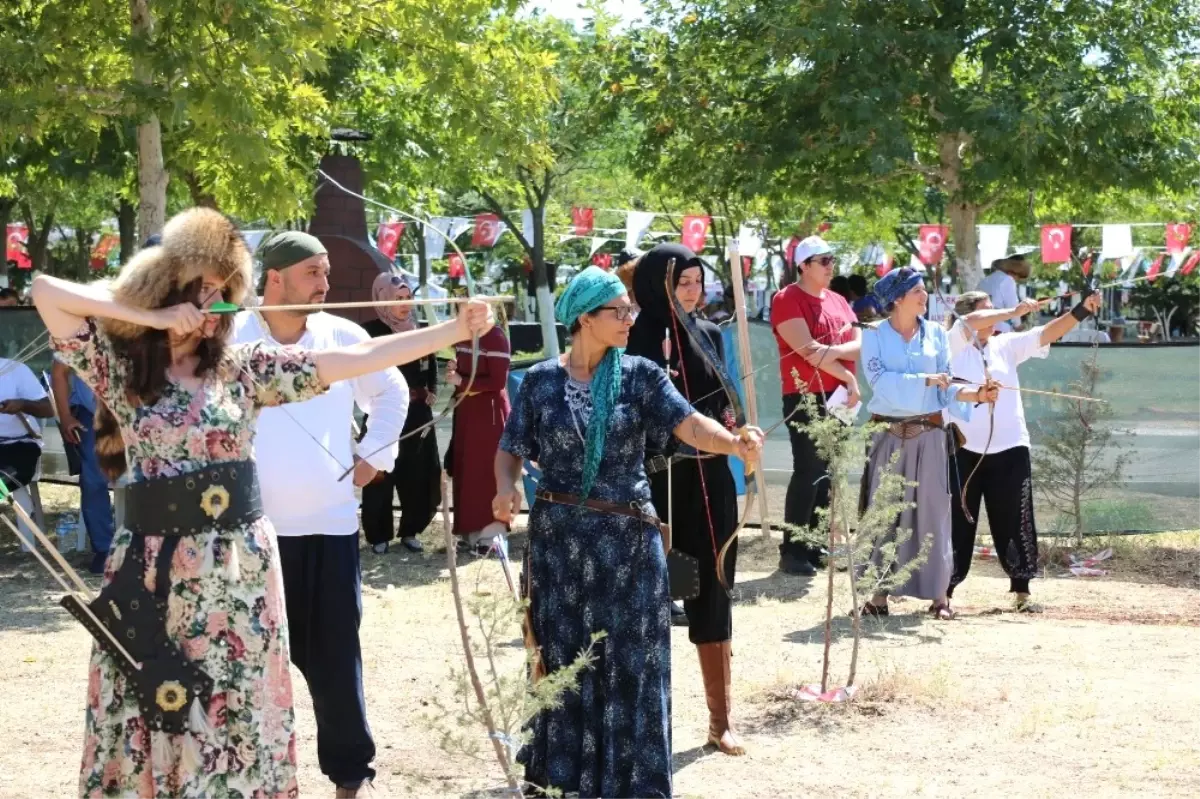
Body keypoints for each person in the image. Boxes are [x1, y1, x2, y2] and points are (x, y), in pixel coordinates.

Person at [30, 207, 494, 798]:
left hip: (239, 573)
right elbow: (47, 293)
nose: (209, 305)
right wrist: (143, 311)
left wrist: (451, 331)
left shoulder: (241, 369)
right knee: (157, 698)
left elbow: (349, 362)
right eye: (198, 292)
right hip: (153, 572)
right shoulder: (121, 368)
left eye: (220, 293)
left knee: (239, 705)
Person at [491, 266, 763, 798]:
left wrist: (733, 442)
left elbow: (688, 423)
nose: (629, 320)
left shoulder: (640, 375)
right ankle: (561, 780)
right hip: (559, 544)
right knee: (562, 657)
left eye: (630, 310)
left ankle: (631, 784)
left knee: (633, 662)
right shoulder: (542, 381)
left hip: (628, 543)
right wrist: (506, 488)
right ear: (584, 319)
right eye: (618, 311)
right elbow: (511, 446)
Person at [233, 231, 409, 797]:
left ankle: (349, 779)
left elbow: (393, 390)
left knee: (336, 662)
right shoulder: (230, 336)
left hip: (330, 527)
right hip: (250, 536)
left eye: (328, 272)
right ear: (275, 278)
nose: (327, 284)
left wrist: (375, 454)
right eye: (314, 272)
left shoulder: (344, 334)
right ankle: (253, 778)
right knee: (249, 665)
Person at [625, 243, 746, 757]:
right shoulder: (631, 338)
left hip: (710, 479)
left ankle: (721, 721)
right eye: (683, 283)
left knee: (712, 590)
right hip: (655, 485)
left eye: (698, 281)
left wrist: (737, 428)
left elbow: (722, 404)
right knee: (647, 598)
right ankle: (635, 725)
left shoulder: (711, 333)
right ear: (658, 286)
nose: (692, 292)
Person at [945, 289, 1102, 612]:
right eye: (989, 309)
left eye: (995, 310)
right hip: (962, 448)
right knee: (957, 521)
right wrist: (1012, 309)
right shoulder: (952, 343)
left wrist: (1081, 311)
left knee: (1015, 518)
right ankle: (944, 592)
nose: (995, 315)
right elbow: (971, 322)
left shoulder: (1006, 344)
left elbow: (1047, 332)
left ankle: (1022, 591)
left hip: (1010, 446)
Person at [857, 267, 998, 620]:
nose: (925, 297)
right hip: (887, 436)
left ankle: (940, 596)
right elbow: (880, 382)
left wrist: (977, 393)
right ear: (899, 298)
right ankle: (877, 596)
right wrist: (924, 380)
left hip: (931, 435)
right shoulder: (873, 335)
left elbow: (946, 387)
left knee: (934, 515)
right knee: (884, 514)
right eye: (918, 291)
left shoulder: (935, 332)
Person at [770, 235, 861, 576]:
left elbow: (858, 342)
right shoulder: (787, 298)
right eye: (823, 261)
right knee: (809, 470)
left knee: (828, 473)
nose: (830, 267)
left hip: (840, 399)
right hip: (807, 396)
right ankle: (792, 550)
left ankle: (815, 544)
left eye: (832, 259)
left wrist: (835, 356)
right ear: (804, 266)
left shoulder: (838, 300)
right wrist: (848, 376)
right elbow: (805, 349)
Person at [360, 273, 441, 554]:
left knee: (418, 474)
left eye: (408, 298)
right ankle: (379, 535)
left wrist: (432, 388)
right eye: (398, 299)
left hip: (418, 414)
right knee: (380, 471)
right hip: (384, 411)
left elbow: (430, 365)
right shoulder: (370, 331)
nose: (405, 304)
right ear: (383, 300)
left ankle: (411, 530)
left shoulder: (419, 328)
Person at [445, 319, 511, 551]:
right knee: (465, 469)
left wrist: (461, 380)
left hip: (488, 414)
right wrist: (456, 372)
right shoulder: (463, 335)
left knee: (485, 473)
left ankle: (489, 534)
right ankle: (469, 532)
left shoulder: (495, 337)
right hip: (467, 412)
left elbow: (498, 381)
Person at [51, 361, 116, 574]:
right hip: (91, 413)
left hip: (140, 411)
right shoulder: (77, 330)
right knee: (93, 477)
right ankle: (104, 549)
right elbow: (59, 371)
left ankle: (152, 546)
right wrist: (65, 417)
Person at [0, 354, 53, 491]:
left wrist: (22, 405)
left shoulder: (15, 369)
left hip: (17, 447)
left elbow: (49, 409)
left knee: (5, 479)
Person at [977, 255, 1031, 333]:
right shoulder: (1008, 280)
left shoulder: (984, 281)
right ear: (1013, 272)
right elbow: (1013, 306)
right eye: (1018, 277)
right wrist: (1018, 325)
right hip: (999, 328)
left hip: (981, 326)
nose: (1017, 280)